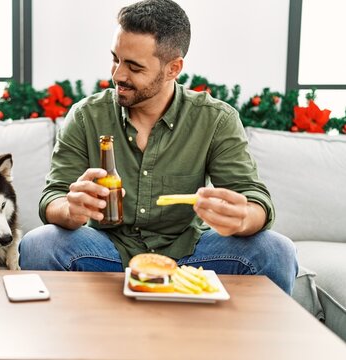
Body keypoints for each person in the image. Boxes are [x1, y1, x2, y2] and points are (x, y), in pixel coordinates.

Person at [19, 0, 298, 294]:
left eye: (134, 67)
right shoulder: (87, 116)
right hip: (107, 253)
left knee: (276, 250)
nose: (117, 75)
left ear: (173, 68)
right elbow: (54, 197)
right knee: (41, 244)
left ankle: (254, 341)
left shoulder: (215, 119)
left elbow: (254, 199)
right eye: (116, 59)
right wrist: (70, 210)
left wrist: (244, 218)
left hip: (193, 256)